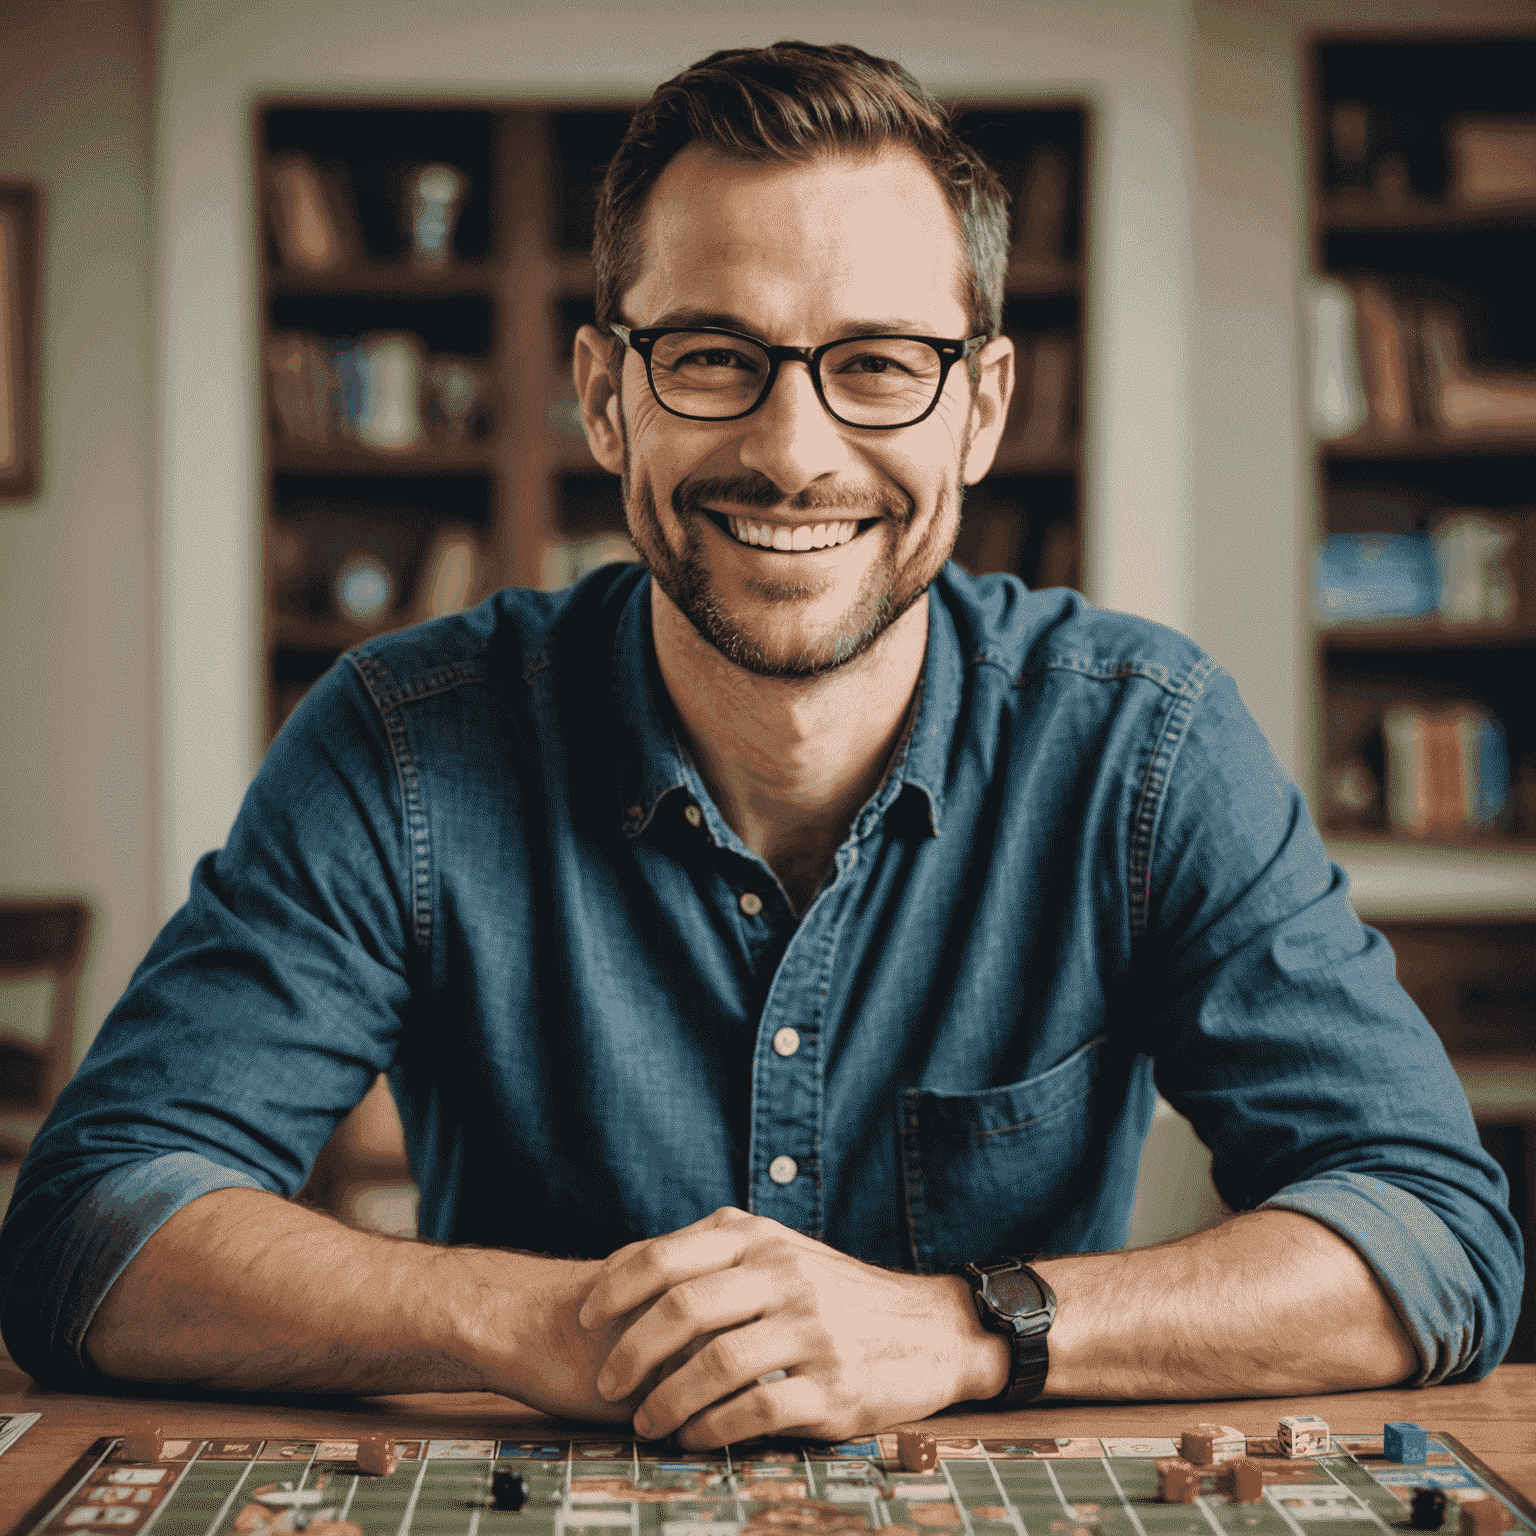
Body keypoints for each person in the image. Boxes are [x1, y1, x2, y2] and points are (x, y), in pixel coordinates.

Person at [0, 43, 1521, 1447]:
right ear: (607, 397)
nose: (795, 454)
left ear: (980, 410)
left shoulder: (1146, 746)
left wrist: (966, 1331)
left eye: (877, 364)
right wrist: (540, 1319)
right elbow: (90, 1228)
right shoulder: (401, 744)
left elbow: (1430, 1226)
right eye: (716, 356)